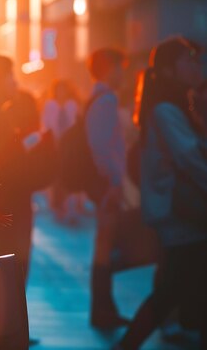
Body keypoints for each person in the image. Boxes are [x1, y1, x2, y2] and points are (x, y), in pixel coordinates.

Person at [115, 37, 207, 350]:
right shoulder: (168, 110)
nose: (196, 66)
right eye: (188, 60)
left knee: (176, 285)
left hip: (181, 212)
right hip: (180, 213)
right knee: (173, 288)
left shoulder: (175, 107)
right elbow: (191, 158)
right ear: (169, 70)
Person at [0, 55, 56, 282]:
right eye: (10, 76)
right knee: (7, 288)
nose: (15, 83)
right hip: (6, 217)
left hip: (1, 217)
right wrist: (44, 156)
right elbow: (10, 171)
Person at [84, 48, 130, 329]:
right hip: (106, 185)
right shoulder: (106, 99)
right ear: (110, 67)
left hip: (103, 184)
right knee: (104, 247)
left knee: (104, 246)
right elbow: (101, 147)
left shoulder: (96, 97)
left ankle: (104, 309)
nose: (123, 73)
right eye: (121, 67)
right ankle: (102, 311)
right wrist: (113, 182)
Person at [41, 79, 84, 224]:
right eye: (58, 90)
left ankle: (72, 207)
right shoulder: (50, 106)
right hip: (55, 147)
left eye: (63, 89)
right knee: (57, 177)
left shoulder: (73, 105)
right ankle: (58, 206)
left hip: (71, 147)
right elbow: (45, 126)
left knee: (70, 175)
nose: (61, 93)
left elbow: (79, 126)